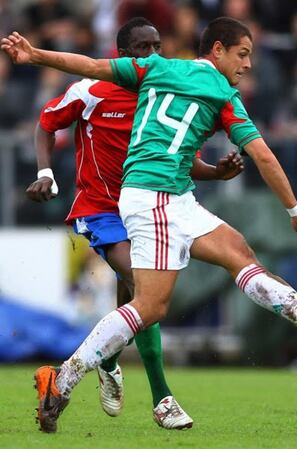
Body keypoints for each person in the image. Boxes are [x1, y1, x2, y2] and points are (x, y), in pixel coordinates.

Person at [2, 17, 297, 433]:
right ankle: (63, 380)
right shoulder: (215, 90)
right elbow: (262, 155)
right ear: (218, 50)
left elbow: (91, 64)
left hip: (173, 194)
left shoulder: (159, 68)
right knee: (150, 304)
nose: (247, 64)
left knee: (237, 252)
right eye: (242, 54)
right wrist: (296, 212)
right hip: (148, 196)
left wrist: (35, 55)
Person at [23, 17, 244, 431]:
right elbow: (46, 124)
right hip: (100, 209)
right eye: (145, 47)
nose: (155, 55)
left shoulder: (163, 90)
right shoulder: (90, 89)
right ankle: (162, 397)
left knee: (136, 296)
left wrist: (217, 172)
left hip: (146, 207)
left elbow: (178, 159)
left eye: (159, 46)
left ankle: (106, 356)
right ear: (123, 54)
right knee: (143, 289)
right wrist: (46, 172)